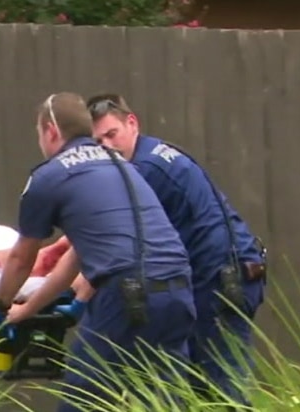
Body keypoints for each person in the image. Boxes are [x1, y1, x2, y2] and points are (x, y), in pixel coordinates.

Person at [0, 92, 197, 412]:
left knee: (81, 402)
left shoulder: (50, 176)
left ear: (51, 130)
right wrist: (28, 310)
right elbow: (75, 258)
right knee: (164, 402)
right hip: (178, 290)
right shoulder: (121, 165)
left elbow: (22, 258)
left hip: (126, 296)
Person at [86, 93, 267, 405]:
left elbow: (111, 231)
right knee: (202, 387)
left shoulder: (142, 170)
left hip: (220, 281)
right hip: (224, 273)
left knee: (224, 390)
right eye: (97, 140)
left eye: (111, 134)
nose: (106, 146)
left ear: (132, 123)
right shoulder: (151, 153)